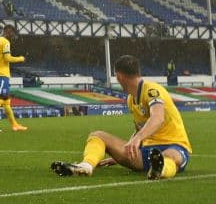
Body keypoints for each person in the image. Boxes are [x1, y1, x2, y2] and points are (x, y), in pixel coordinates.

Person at [52, 54, 192, 179]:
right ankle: (86, 166)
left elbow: (158, 117)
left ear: (119, 76)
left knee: (169, 156)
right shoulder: (131, 99)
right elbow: (139, 129)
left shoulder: (152, 90)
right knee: (98, 135)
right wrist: (121, 153)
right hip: (146, 153)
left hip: (175, 146)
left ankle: (160, 169)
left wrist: (137, 139)